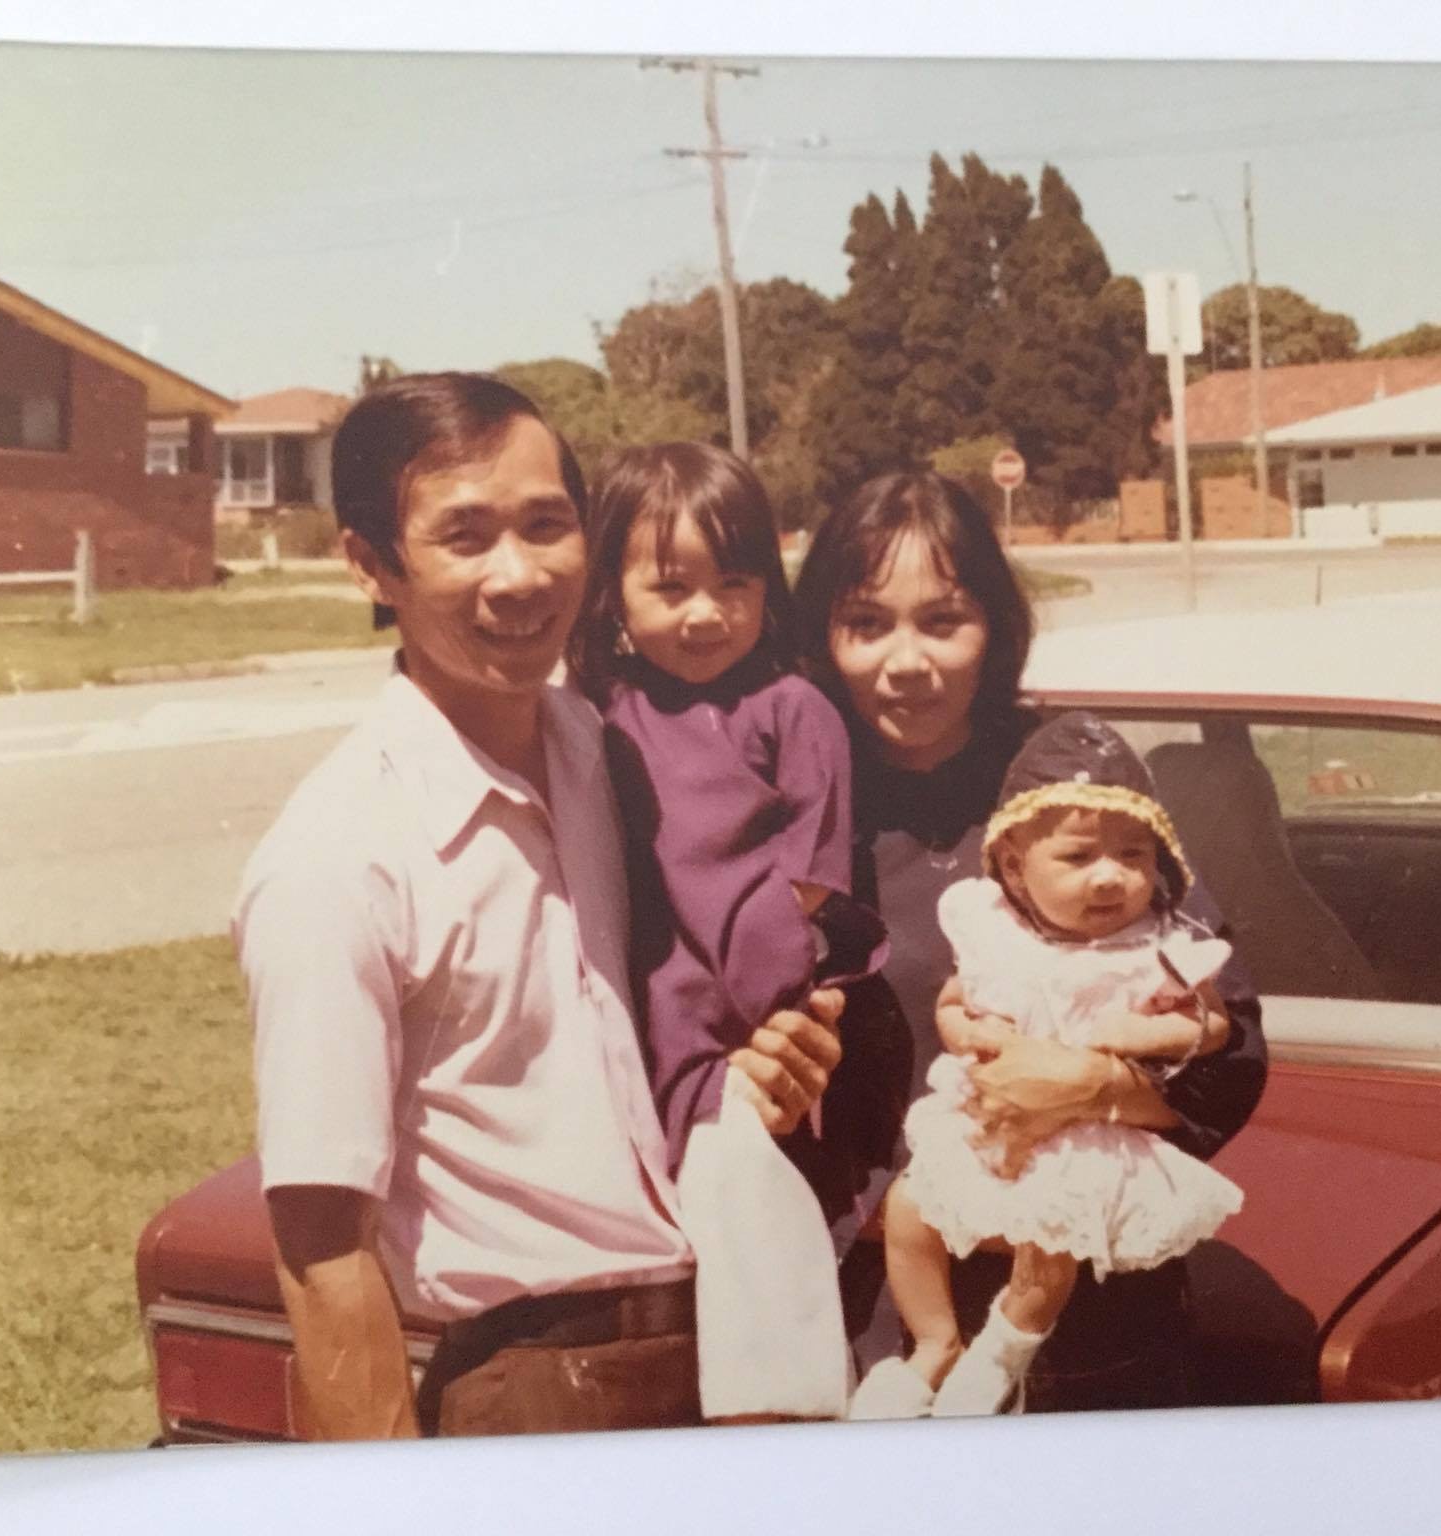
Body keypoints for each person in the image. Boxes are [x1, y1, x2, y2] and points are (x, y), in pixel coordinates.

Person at [235, 374, 840, 1440]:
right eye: (462, 536)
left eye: (545, 525)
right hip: (537, 1391)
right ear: (370, 564)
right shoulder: (336, 859)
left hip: (729, 1336)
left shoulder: (609, 752)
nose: (518, 575)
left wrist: (772, 1047)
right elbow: (320, 1248)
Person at [793, 471, 1269, 1414]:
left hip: (1088, 1316)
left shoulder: (1072, 791)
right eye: (866, 624)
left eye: (942, 620)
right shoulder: (795, 804)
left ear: (995, 631)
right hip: (884, 1305)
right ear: (823, 635)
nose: (905, 661)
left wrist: (1094, 1086)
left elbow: (1234, 1050)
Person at [567, 442, 885, 1423]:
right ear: (612, 589)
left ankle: (779, 1431)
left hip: (754, 1033)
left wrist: (767, 1014)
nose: (705, 614)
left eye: (733, 585)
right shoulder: (594, 712)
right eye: (670, 587)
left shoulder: (792, 711)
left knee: (750, 1252)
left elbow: (814, 883)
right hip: (632, 1031)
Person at [851, 713, 1246, 1418]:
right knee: (912, 1209)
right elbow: (954, 1001)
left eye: (1133, 855)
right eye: (1078, 859)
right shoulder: (994, 931)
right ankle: (934, 1343)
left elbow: (1220, 1026)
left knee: (1054, 1239)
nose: (1110, 878)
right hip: (984, 1126)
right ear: (1012, 867)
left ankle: (1005, 1347)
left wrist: (1143, 1034)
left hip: (1082, 1145)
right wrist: (973, 1032)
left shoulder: (1158, 944)